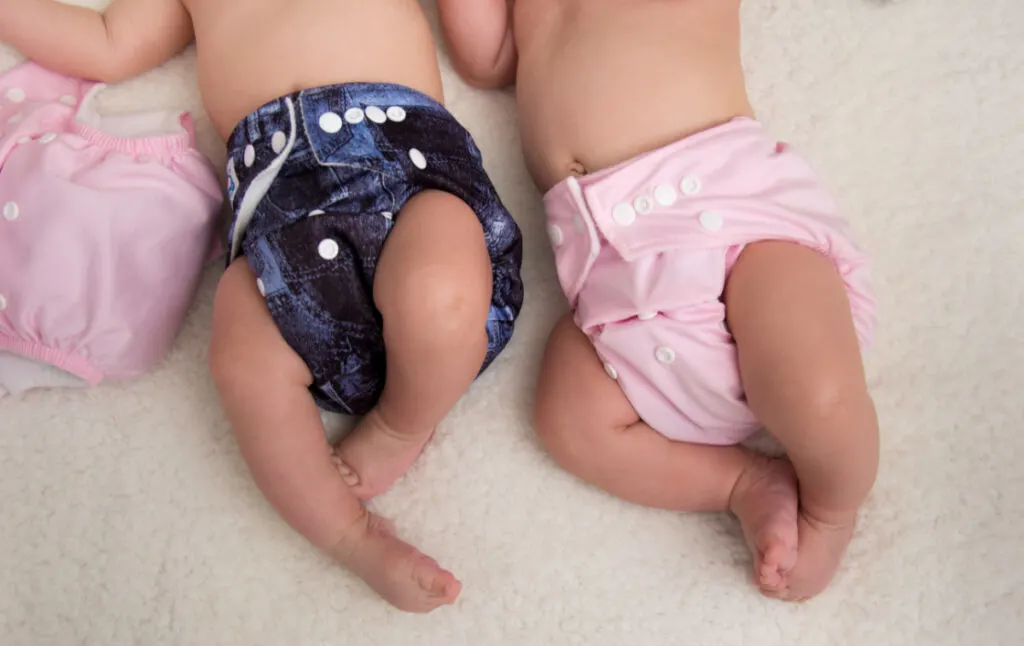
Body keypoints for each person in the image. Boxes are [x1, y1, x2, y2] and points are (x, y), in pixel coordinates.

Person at [1, 0, 524, 612]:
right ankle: (349, 535)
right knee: (241, 351)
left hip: (408, 177)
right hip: (285, 222)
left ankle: (402, 423)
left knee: (438, 288)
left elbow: (482, 44)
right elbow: (108, 42)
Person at [439, 0, 878, 601]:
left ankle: (832, 507)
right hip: (616, 286)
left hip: (732, 220)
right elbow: (490, 60)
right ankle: (738, 484)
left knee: (816, 394)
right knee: (566, 418)